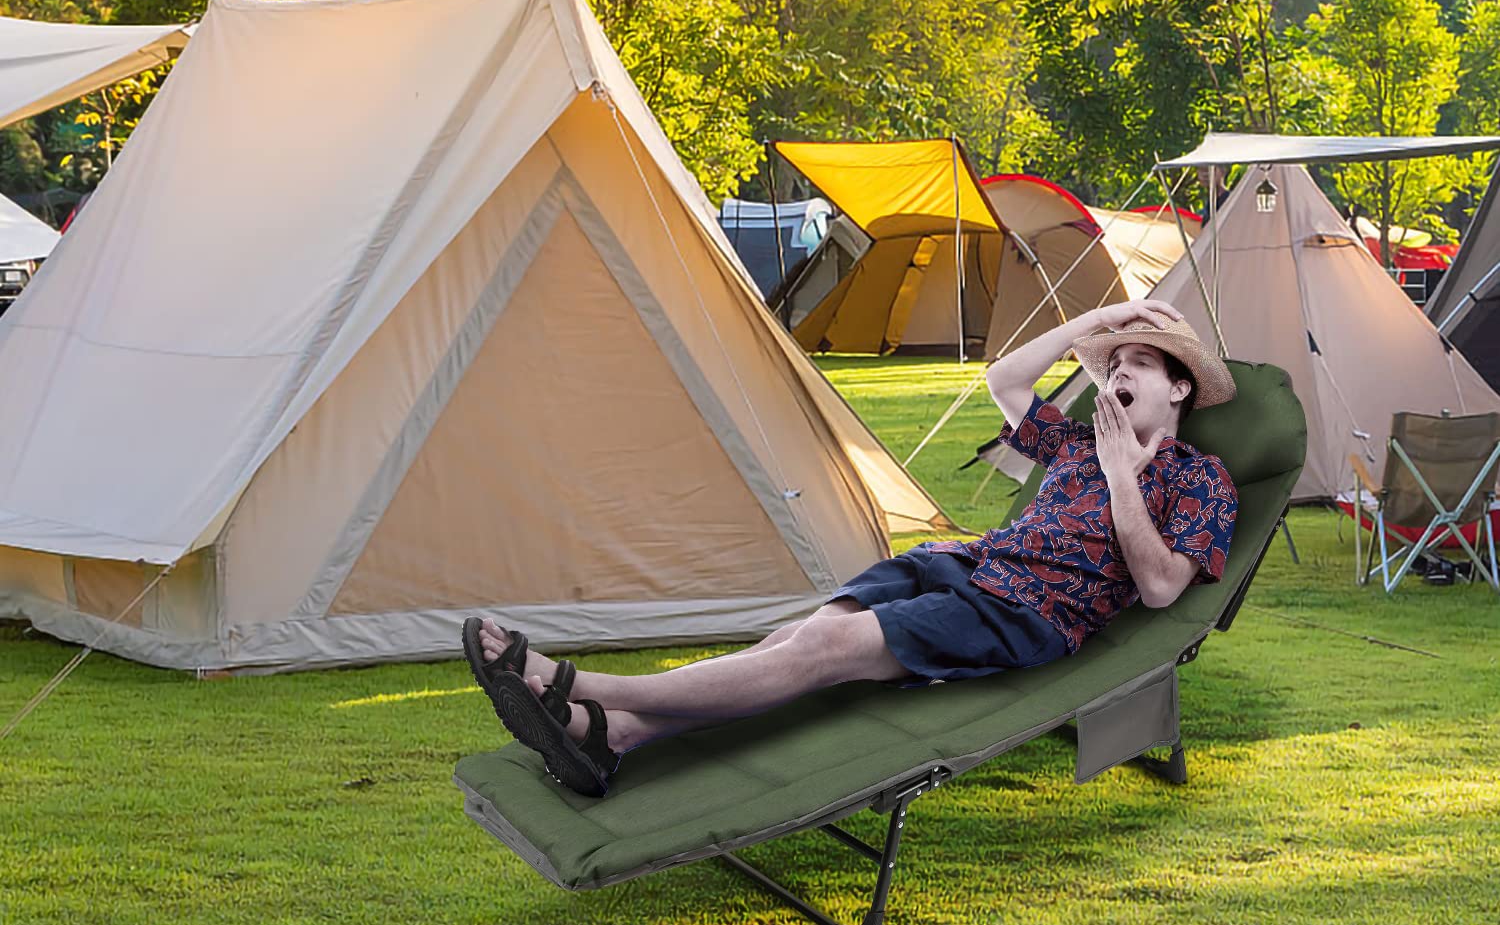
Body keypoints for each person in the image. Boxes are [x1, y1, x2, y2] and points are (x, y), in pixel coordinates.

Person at [463, 298, 1239, 797]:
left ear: (1179, 390)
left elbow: (1164, 587)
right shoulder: (1073, 440)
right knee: (801, 635)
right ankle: (619, 739)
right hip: (966, 563)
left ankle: (578, 686)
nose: (1116, 375)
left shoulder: (1201, 479)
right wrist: (1097, 321)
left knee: (830, 644)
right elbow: (1005, 380)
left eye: (1136, 365)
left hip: (1027, 612)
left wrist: (1122, 480)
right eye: (1114, 367)